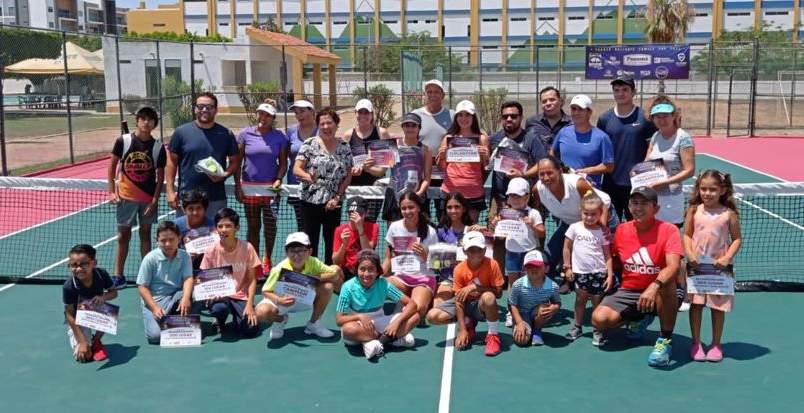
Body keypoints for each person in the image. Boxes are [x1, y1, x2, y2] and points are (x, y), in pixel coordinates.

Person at [591, 186, 683, 367]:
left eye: (644, 203)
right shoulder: (622, 230)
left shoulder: (669, 230)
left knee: (667, 284)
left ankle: (665, 341)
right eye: (634, 203)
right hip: (630, 289)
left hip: (662, 290)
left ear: (655, 208)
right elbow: (614, 260)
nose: (638, 207)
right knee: (599, 320)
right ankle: (639, 318)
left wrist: (654, 286)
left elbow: (674, 266)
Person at [683, 170, 742, 362]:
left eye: (712, 189)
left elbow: (737, 239)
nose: (707, 193)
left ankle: (716, 344)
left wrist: (727, 257)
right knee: (697, 305)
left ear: (723, 190)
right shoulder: (694, 210)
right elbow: (687, 235)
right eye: (703, 189)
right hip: (697, 267)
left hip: (719, 270)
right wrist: (690, 254)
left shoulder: (729, 214)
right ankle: (696, 343)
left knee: (718, 308)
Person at [106, 106, 166, 289]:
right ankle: (118, 275)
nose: (146, 122)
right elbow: (112, 167)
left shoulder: (157, 147)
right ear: (137, 121)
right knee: (123, 236)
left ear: (155, 123)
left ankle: (145, 275)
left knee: (145, 235)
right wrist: (111, 191)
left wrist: (155, 200)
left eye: (150, 119)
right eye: (143, 118)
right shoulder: (122, 141)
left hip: (147, 198)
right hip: (126, 196)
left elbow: (160, 176)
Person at [533, 156, 615, 285]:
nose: (546, 178)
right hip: (570, 222)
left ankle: (610, 284)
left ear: (560, 171)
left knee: (606, 254)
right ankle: (563, 280)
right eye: (541, 174)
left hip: (599, 217)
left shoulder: (578, 184)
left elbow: (601, 206)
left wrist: (601, 229)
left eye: (549, 173)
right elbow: (536, 212)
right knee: (548, 257)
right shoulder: (537, 190)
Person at [427, 231, 505, 357]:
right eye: (471, 250)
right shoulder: (459, 269)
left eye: (479, 250)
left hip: (482, 306)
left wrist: (476, 288)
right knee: (432, 316)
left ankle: (493, 336)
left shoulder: (492, 264)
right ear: (464, 251)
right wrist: (461, 330)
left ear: (484, 250)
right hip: (464, 303)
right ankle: (468, 323)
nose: (475, 253)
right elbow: (458, 300)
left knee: (489, 297)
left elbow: (499, 293)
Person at [256, 232, 344, 341]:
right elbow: (265, 291)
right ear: (286, 253)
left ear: (309, 252)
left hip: (305, 300)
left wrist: (310, 278)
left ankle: (314, 324)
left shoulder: (314, 262)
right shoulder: (278, 269)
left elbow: (334, 273)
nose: (296, 255)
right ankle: (281, 320)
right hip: (281, 302)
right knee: (261, 313)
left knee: (327, 286)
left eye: (301, 250)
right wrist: (279, 300)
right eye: (292, 251)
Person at [165, 92, 240, 219]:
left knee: (215, 237)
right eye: (200, 106)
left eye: (209, 107)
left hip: (216, 199)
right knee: (187, 238)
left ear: (216, 110)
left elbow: (235, 161)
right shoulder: (181, 132)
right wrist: (170, 191)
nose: (204, 110)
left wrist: (223, 175)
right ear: (195, 109)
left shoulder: (226, 134)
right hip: (188, 199)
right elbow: (171, 162)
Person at [293, 107, 353, 264]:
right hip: (308, 203)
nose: (326, 127)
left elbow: (348, 175)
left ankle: (329, 277)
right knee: (309, 243)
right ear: (318, 126)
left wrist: (338, 197)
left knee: (332, 243)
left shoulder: (344, 147)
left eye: (330, 123)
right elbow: (296, 169)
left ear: (336, 124)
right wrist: (308, 177)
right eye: (322, 124)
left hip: (333, 205)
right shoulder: (309, 144)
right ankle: (309, 277)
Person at [234, 102, 289, 271]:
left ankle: (267, 259)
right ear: (257, 114)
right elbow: (237, 161)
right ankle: (254, 261)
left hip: (271, 190)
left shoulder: (280, 137)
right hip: (249, 188)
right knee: (253, 226)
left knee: (270, 226)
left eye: (268, 116)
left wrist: (279, 179)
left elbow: (283, 163)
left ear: (273, 119)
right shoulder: (245, 134)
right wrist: (237, 185)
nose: (263, 118)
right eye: (261, 114)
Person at [336, 250, 420, 360]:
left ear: (377, 271)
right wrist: (359, 316)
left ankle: (375, 343)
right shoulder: (347, 287)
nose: (366, 274)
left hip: (381, 322)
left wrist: (396, 323)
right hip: (359, 326)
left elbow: (412, 304)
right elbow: (339, 320)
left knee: (415, 316)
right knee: (348, 329)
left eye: (371, 269)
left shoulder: (384, 284)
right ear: (357, 270)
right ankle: (391, 339)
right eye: (362, 269)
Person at [597, 74, 657, 221]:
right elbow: (601, 150)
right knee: (610, 226)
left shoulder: (644, 118)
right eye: (617, 90)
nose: (620, 93)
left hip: (637, 184)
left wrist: (646, 178)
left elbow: (652, 149)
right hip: (611, 183)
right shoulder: (605, 119)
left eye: (625, 89)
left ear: (633, 92)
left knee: (638, 224)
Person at [489, 177, 544, 328]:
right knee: (513, 283)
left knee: (528, 283)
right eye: (512, 196)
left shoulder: (534, 213)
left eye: (518, 196)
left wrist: (531, 225)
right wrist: (495, 225)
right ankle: (511, 312)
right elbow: (499, 236)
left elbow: (542, 233)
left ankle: (527, 311)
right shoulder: (504, 214)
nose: (515, 199)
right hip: (512, 252)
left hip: (529, 253)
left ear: (527, 196)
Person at [562, 191, 614, 346]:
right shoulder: (574, 228)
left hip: (599, 273)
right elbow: (566, 248)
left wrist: (610, 275)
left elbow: (607, 255)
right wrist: (567, 267)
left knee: (597, 302)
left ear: (600, 214)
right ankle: (577, 327)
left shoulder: (603, 232)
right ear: (581, 211)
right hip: (580, 273)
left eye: (593, 214)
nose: (589, 217)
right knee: (580, 300)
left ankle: (597, 330)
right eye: (586, 213)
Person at [199, 208, 260, 337]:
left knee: (250, 330)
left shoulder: (247, 248)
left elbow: (252, 280)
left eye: (228, 226)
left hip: (240, 295)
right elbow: (203, 278)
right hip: (220, 296)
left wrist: (249, 305)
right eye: (220, 226)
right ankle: (220, 320)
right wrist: (211, 292)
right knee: (219, 309)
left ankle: (237, 318)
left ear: (237, 228)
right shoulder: (211, 250)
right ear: (216, 229)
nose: (223, 230)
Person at [382, 191, 439, 321]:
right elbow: (388, 257)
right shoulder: (394, 227)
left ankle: (406, 306)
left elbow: (437, 266)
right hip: (401, 278)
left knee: (418, 311)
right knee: (377, 288)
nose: (407, 211)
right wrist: (380, 275)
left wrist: (426, 256)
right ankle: (405, 303)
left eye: (411, 207)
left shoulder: (431, 232)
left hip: (423, 279)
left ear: (418, 207)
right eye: (404, 208)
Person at [137, 221, 195, 344]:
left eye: (171, 239)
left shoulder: (185, 256)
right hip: (155, 300)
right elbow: (142, 287)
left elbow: (188, 278)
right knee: (155, 337)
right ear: (157, 240)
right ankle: (175, 320)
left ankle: (177, 317)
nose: (167, 244)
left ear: (179, 238)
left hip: (175, 296)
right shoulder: (150, 258)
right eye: (163, 240)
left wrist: (185, 298)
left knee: (194, 294)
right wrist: (154, 307)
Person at [436, 100, 491, 222]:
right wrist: (443, 156)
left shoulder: (482, 138)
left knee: (470, 232)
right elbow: (441, 167)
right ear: (456, 118)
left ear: (473, 117)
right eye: (460, 115)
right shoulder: (448, 138)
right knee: (448, 232)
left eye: (467, 115)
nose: (464, 118)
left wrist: (486, 156)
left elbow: (486, 166)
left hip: (473, 193)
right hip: (450, 191)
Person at [645, 96, 696, 226]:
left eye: (665, 115)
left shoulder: (683, 138)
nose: (661, 120)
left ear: (673, 116)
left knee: (670, 242)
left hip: (671, 201)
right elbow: (646, 163)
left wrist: (664, 183)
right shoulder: (656, 136)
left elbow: (689, 170)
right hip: (652, 199)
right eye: (657, 116)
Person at [63, 244, 118, 362]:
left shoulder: (101, 274)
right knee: (83, 356)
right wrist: (82, 342)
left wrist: (103, 297)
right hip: (78, 317)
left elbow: (114, 293)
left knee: (110, 312)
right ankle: (88, 341)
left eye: (83, 264)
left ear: (94, 263)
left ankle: (96, 340)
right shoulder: (69, 286)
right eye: (73, 265)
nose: (78, 269)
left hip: (95, 309)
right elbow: (69, 315)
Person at [342, 98, 391, 222]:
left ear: (372, 114)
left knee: (369, 222)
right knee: (354, 223)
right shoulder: (348, 135)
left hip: (376, 188)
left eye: (366, 112)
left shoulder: (382, 133)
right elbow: (343, 165)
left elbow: (382, 171)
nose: (363, 115)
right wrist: (351, 170)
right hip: (354, 188)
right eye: (360, 112)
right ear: (355, 113)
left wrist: (366, 168)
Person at [551, 94, 614, 188]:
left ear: (589, 112)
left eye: (580, 109)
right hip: (564, 187)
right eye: (573, 109)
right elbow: (552, 153)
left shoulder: (601, 137)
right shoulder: (564, 132)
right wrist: (558, 167)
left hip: (589, 190)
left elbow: (609, 166)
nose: (576, 113)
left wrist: (586, 171)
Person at [432, 193, 482, 309]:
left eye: (457, 207)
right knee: (437, 309)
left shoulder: (473, 230)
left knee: (478, 306)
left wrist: (484, 231)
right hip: (448, 278)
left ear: (463, 209)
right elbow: (435, 264)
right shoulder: (440, 232)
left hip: (471, 280)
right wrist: (450, 261)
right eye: (449, 207)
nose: (453, 210)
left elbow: (485, 254)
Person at [384, 112, 432, 221]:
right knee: (394, 234)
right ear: (402, 127)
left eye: (413, 125)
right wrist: (368, 166)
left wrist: (418, 194)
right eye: (407, 125)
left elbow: (427, 178)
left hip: (417, 195)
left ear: (419, 128)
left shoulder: (426, 150)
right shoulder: (393, 146)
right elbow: (381, 170)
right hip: (394, 195)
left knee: (418, 234)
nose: (410, 128)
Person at [509, 250, 561, 347]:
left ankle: (537, 331)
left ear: (546, 268)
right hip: (522, 314)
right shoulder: (517, 285)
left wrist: (555, 308)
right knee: (521, 341)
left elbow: (557, 303)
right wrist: (519, 323)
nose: (533, 269)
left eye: (537, 266)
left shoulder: (553, 286)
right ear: (524, 269)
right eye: (529, 266)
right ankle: (525, 326)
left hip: (537, 312)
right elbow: (513, 304)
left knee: (544, 309)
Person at [412, 79, 455, 187]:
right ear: (424, 95)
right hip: (420, 172)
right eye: (429, 92)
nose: (432, 95)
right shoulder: (415, 115)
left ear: (443, 95)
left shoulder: (452, 115)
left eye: (436, 92)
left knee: (442, 204)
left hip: (444, 173)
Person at [286, 99, 318, 231]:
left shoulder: (322, 130)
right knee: (302, 226)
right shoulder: (291, 131)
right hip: (295, 187)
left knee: (317, 226)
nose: (299, 115)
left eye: (303, 111)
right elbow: (286, 155)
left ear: (312, 112)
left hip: (318, 188)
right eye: (297, 112)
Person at [332, 196, 380, 280]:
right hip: (347, 271)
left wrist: (360, 228)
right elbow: (336, 261)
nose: (354, 217)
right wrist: (344, 245)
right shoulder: (340, 230)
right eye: (351, 213)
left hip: (365, 270)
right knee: (334, 269)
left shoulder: (373, 227)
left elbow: (368, 253)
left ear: (366, 213)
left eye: (359, 214)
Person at [174, 190, 216, 269]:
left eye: (199, 208)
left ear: (205, 209)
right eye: (191, 209)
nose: (195, 212)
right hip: (180, 266)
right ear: (184, 209)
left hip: (207, 266)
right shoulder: (175, 226)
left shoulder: (214, 227)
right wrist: (185, 256)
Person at [526, 86, 572, 152]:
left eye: (552, 100)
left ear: (561, 101)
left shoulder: (571, 124)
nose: (548, 103)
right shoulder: (532, 122)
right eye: (544, 101)